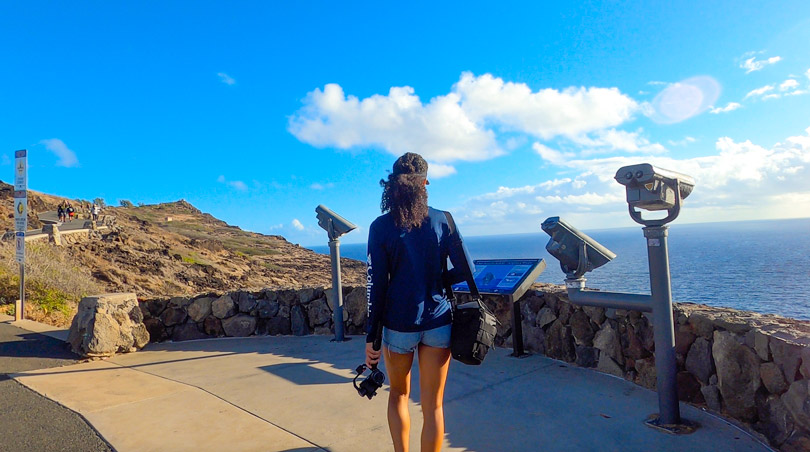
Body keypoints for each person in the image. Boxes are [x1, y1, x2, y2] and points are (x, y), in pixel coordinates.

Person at [365, 152, 472, 452]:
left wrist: (372, 339)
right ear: (425, 183)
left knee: (398, 394)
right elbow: (467, 270)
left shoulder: (381, 227)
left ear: (393, 184)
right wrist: (438, 281)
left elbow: (377, 287)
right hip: (439, 323)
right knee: (433, 406)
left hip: (398, 325)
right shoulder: (443, 220)